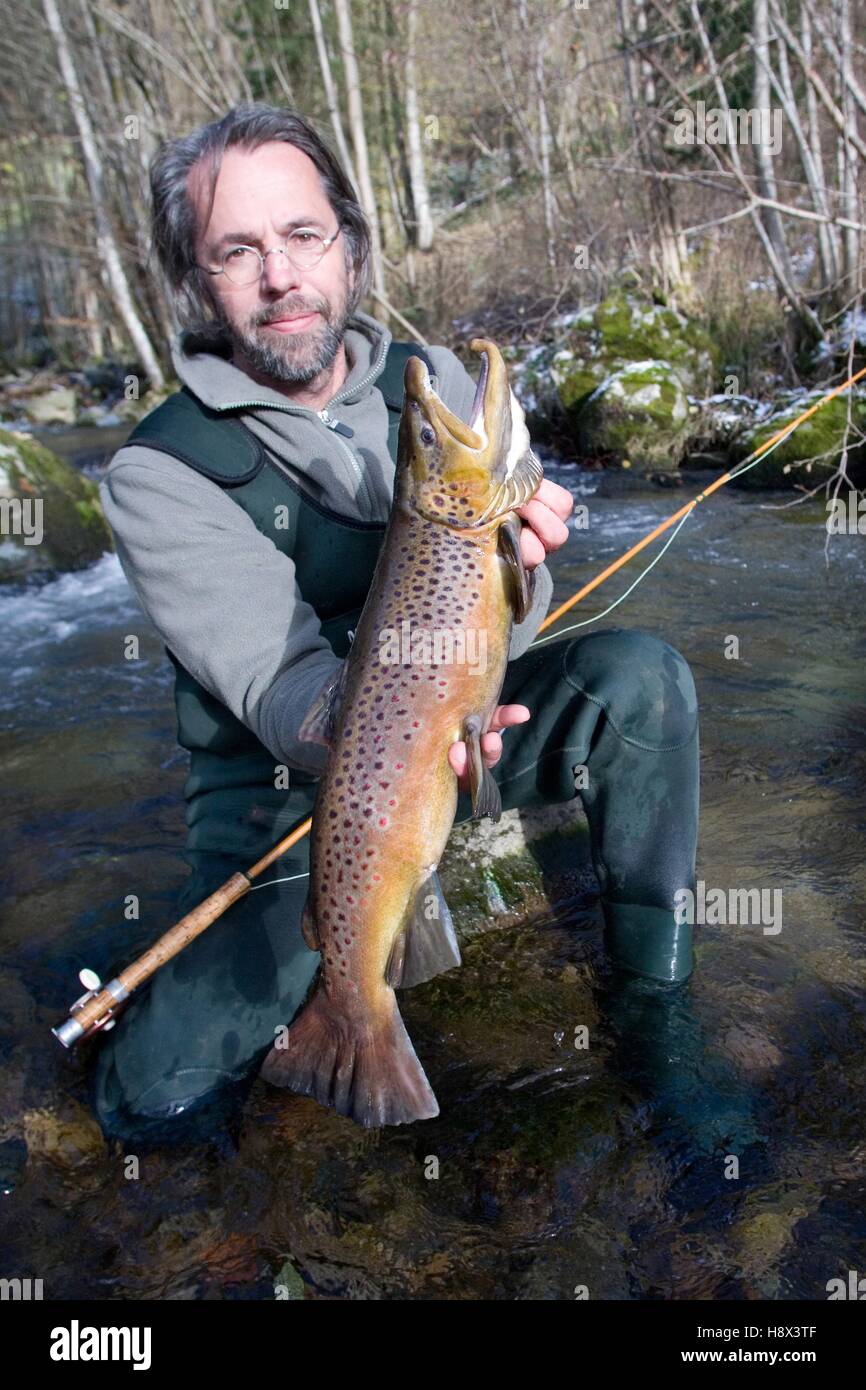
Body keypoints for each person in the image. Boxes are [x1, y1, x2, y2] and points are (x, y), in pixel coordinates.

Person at [91, 103, 699, 1145]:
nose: (280, 276)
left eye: (301, 235)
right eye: (237, 251)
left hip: (464, 729)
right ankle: (331, 1031)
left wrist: (523, 563)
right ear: (197, 283)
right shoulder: (159, 469)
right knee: (151, 1103)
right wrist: (415, 733)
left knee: (640, 680)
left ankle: (659, 1016)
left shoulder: (438, 390)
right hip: (282, 795)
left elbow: (509, 615)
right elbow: (285, 693)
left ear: (350, 246)